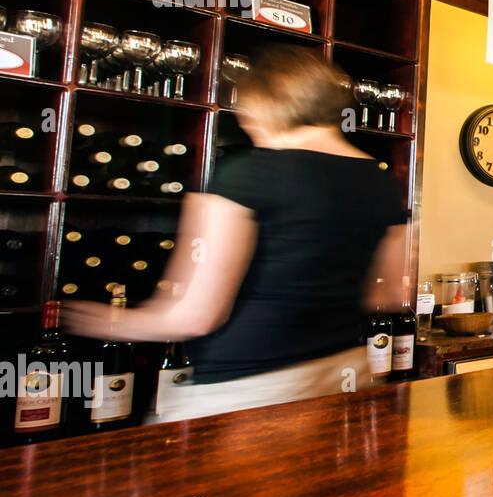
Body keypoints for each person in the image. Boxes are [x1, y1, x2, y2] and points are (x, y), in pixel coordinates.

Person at [64, 45, 409, 421]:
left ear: (264, 105)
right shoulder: (381, 180)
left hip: (249, 391)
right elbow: (390, 293)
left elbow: (195, 317)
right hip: (343, 378)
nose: (245, 123)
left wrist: (98, 320)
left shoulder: (250, 173)